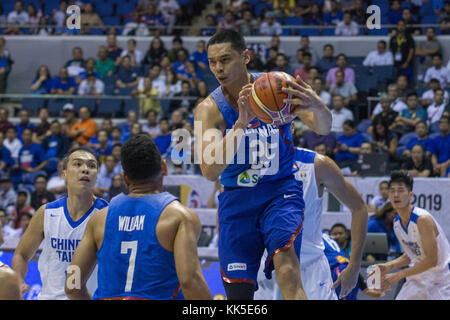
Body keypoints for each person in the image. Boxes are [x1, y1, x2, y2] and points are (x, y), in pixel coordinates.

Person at [194, 29, 332, 300]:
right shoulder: (209, 109)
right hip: (237, 201)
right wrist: (240, 124)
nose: (218, 68)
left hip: (280, 191)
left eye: (226, 59)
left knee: (287, 267)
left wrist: (317, 105)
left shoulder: (277, 87)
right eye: (212, 62)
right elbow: (210, 171)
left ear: (246, 56)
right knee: (238, 295)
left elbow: (323, 127)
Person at [65, 134, 212, 300]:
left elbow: (72, 285)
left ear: (126, 178)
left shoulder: (99, 219)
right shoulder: (180, 217)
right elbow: (190, 281)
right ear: (163, 168)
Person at [255, 145, 368, 300]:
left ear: (292, 126)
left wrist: (354, 266)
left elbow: (359, 207)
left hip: (310, 270)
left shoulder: (318, 165)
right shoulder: (249, 162)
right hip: (265, 270)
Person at [11, 147, 108, 300]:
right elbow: (21, 255)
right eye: (78, 164)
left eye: (91, 165)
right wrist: (19, 280)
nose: (85, 169)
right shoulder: (46, 213)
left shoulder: (108, 214)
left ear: (97, 177)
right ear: (64, 174)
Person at [370, 170, 450, 300]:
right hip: (417, 279)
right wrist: (388, 266)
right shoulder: (396, 223)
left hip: (440, 281)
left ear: (411, 195)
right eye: (392, 190)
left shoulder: (422, 219)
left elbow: (431, 260)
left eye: (401, 190)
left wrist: (398, 275)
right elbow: (412, 254)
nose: (396, 195)